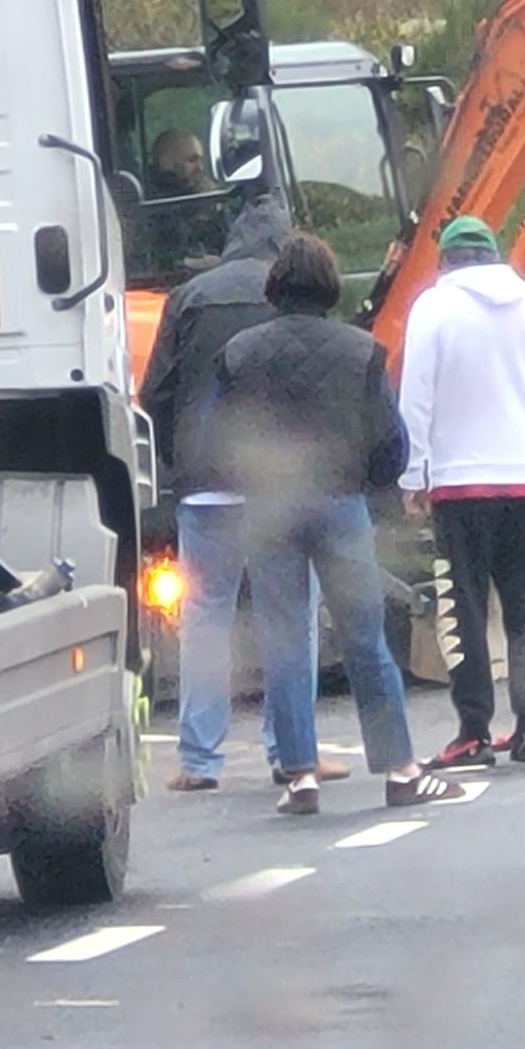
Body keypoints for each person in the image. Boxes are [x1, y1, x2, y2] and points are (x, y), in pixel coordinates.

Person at [206, 235, 467, 814]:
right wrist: (368, 483)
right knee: (365, 638)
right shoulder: (362, 351)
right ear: (329, 285)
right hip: (339, 503)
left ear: (275, 285)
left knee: (283, 639)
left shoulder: (239, 352)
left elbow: (219, 439)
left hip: (270, 507)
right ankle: (400, 770)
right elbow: (390, 442)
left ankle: (299, 777)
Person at [139, 195, 339, 792]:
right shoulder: (296, 296)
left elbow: (157, 395)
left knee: (205, 618)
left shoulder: (190, 296)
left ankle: (199, 760)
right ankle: (291, 752)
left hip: (205, 488)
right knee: (290, 615)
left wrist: (181, 464)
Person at [399, 215, 525, 770]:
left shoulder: (433, 307)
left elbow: (416, 399)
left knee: (462, 608)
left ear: (446, 261)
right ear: (494, 254)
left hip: (459, 483)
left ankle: (473, 731)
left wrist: (414, 475)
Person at [148, 128, 215, 196]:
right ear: (165, 163)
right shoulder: (153, 194)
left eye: (201, 160)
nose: (200, 168)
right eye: (192, 160)